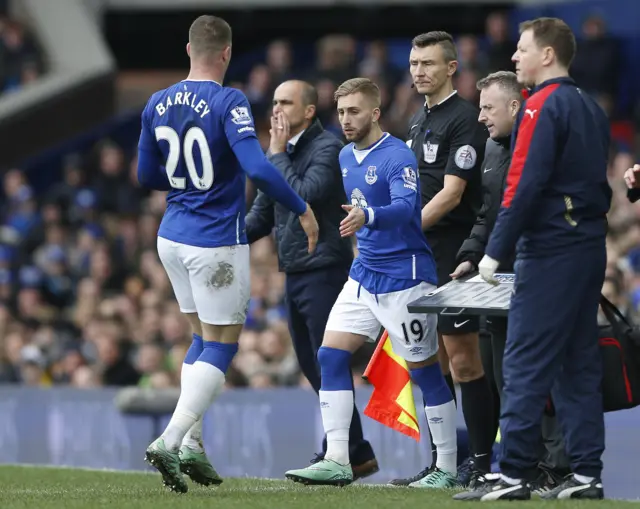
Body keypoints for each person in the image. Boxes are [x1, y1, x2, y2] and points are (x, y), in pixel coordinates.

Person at [135, 15, 319, 493]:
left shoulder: (156, 102)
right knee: (223, 344)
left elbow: (146, 175)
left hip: (170, 236)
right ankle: (170, 439)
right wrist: (301, 207)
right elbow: (256, 165)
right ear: (227, 53)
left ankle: (193, 444)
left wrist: (186, 185)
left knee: (199, 338)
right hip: (213, 239)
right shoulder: (228, 100)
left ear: (188, 49)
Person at [460, 17, 610, 501]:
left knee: (523, 361)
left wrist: (496, 250)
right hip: (589, 246)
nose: (513, 56)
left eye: (522, 49)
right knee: (577, 362)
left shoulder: (539, 107)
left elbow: (523, 185)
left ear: (548, 54)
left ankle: (515, 473)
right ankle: (586, 473)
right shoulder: (590, 105)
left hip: (549, 250)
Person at [284, 77, 457, 487]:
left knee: (425, 372)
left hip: (406, 278)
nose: (345, 119)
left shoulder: (398, 156)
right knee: (329, 356)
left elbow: (405, 208)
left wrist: (369, 217)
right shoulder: (345, 156)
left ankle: (447, 468)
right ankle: (338, 458)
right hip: (363, 276)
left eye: (355, 111)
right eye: (341, 111)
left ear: (375, 113)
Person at [245, 79, 378, 479]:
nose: (277, 110)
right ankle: (355, 451)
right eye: (274, 102)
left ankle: (340, 451)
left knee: (328, 362)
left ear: (307, 111)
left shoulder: (328, 148)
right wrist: (223, 237)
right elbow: (261, 214)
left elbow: (302, 191)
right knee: (311, 364)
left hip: (324, 267)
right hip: (295, 269)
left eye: (286, 102)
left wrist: (275, 156)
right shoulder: (281, 153)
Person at [451, 70, 570, 492]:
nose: (480, 116)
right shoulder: (492, 148)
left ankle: (554, 466)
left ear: (514, 106)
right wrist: (470, 253)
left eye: (487, 108)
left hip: (537, 270)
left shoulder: (541, 144)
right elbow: (489, 213)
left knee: (539, 372)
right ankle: (520, 466)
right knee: (503, 376)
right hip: (498, 276)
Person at [392, 30, 494, 488]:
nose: (419, 72)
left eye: (428, 64)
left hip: (453, 254)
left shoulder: (465, 120)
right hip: (421, 254)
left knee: (465, 358)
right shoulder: (418, 119)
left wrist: (401, 227)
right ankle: (443, 463)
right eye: (414, 64)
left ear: (451, 67)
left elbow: (452, 195)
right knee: (429, 360)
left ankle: (480, 460)